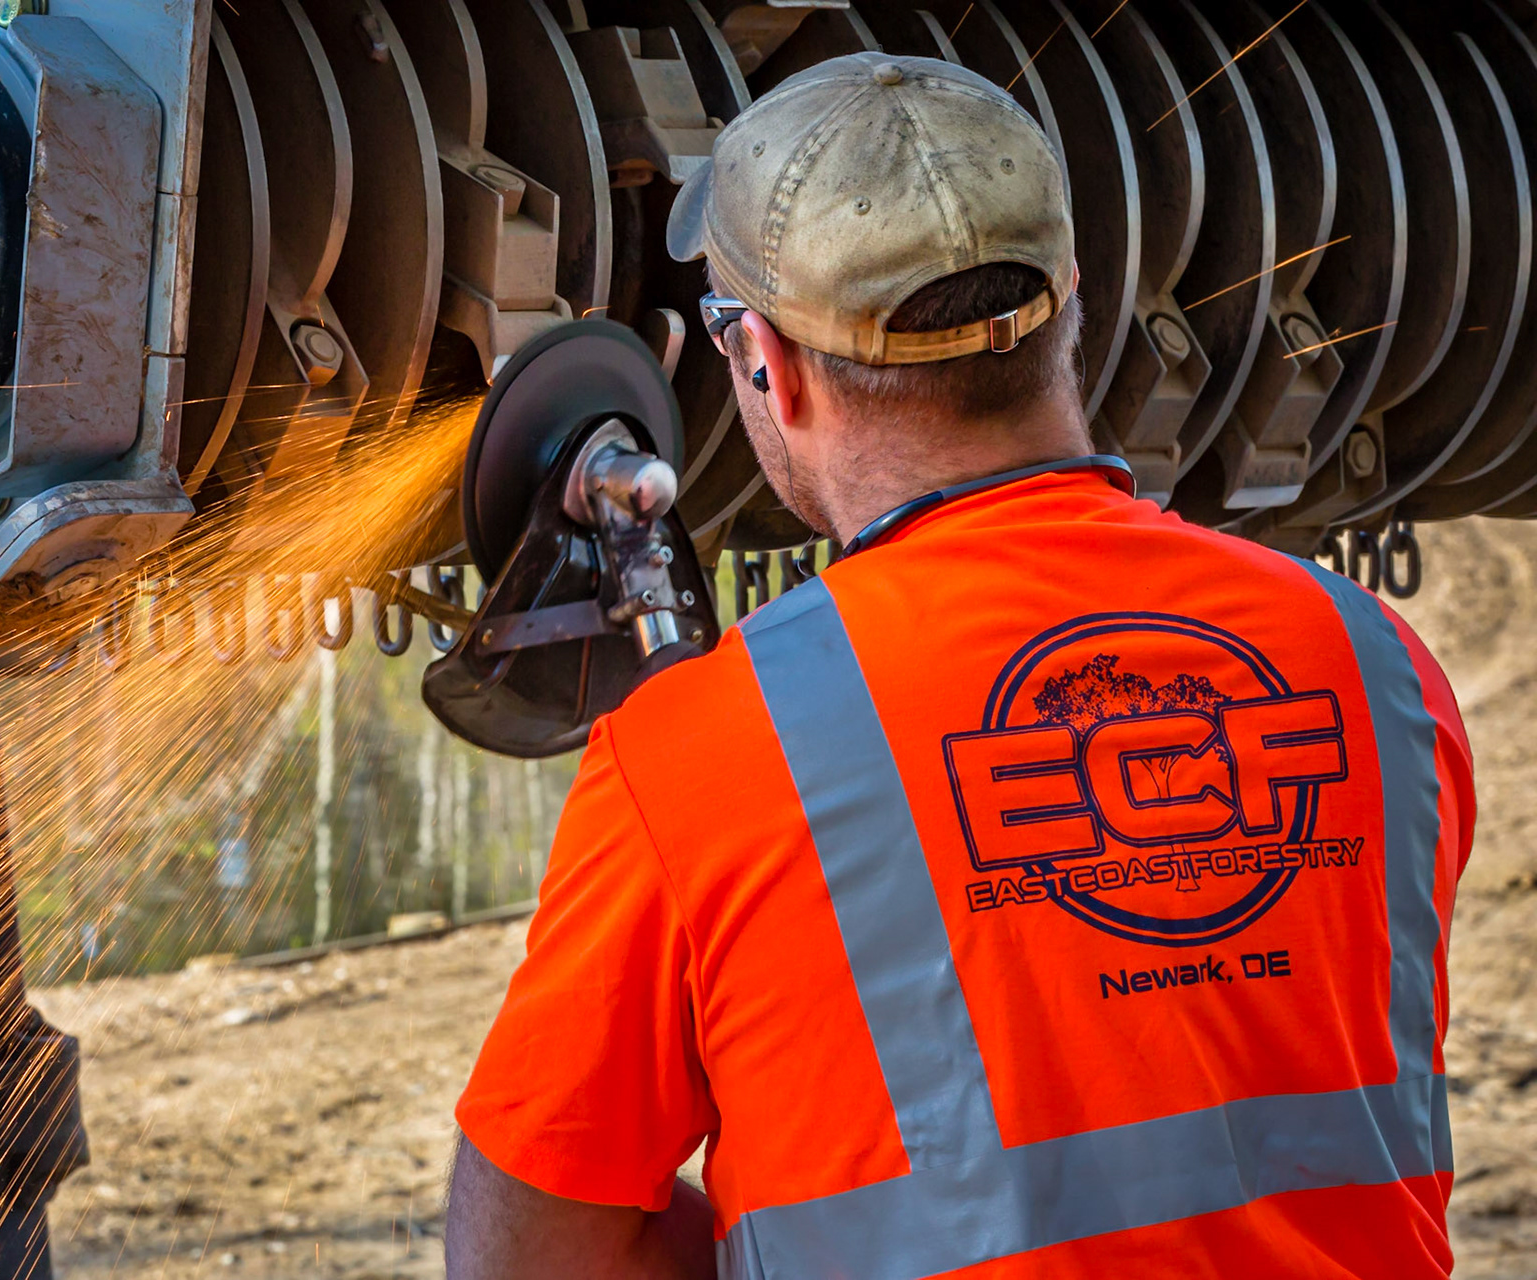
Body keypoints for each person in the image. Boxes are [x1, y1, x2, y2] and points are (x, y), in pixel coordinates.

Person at [445, 53, 1473, 1279]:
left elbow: (530, 1254)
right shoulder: (1375, 667)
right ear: (1074, 302)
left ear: (766, 362)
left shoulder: (708, 754)